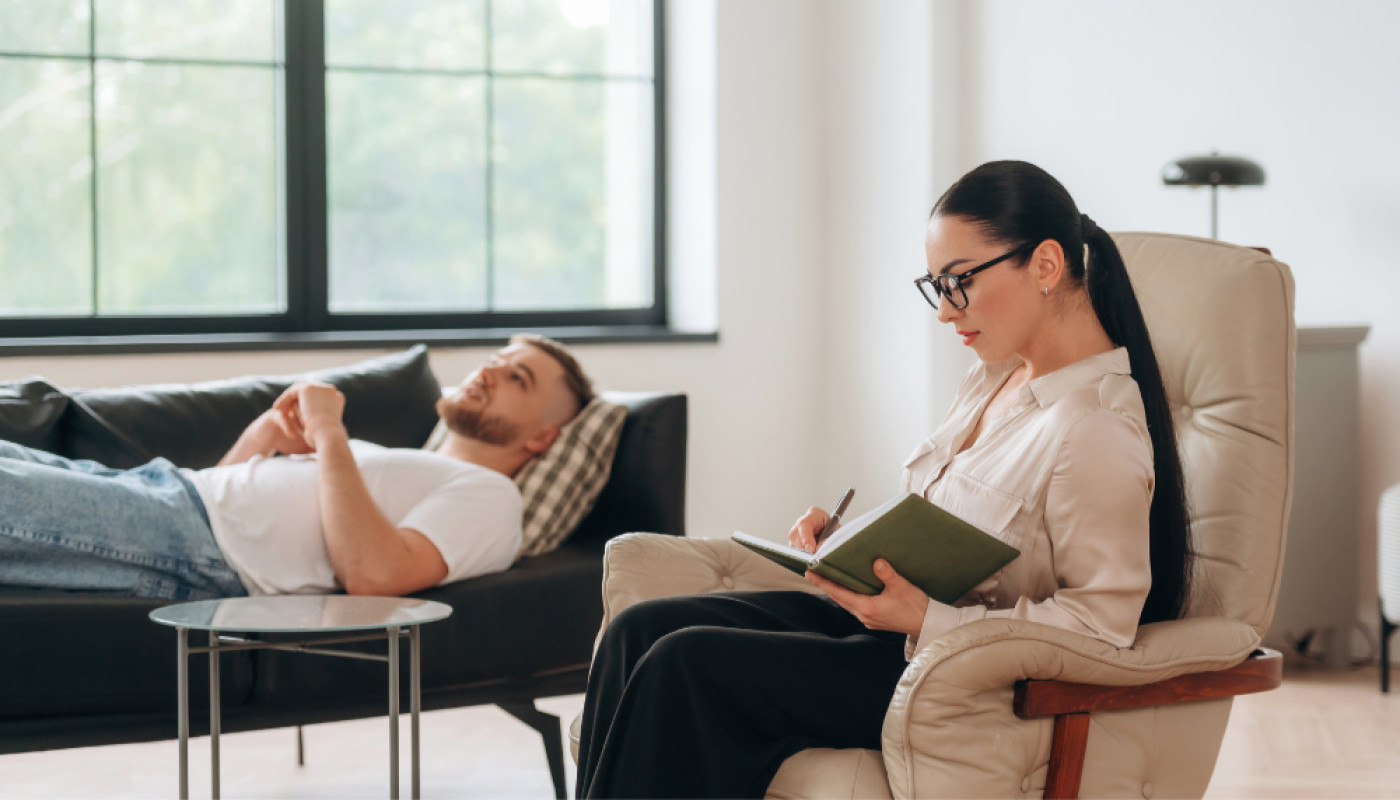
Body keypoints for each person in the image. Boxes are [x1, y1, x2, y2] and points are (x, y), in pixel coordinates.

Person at [574, 161, 1195, 798]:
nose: (945, 313)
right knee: (637, 629)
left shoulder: (1095, 427)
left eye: (960, 284)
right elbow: (949, 524)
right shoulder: (996, 380)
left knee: (685, 665)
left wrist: (929, 619)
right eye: (936, 286)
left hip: (961, 682)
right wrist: (854, 545)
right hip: (895, 639)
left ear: (1044, 265)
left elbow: (1101, 627)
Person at [0, 333, 595, 600]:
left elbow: (376, 575)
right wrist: (266, 434)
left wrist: (331, 433)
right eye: (496, 359)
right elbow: (224, 489)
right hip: (173, 495)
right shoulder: (413, 463)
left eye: (517, 377)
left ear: (544, 436)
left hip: (196, 543)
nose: (488, 372)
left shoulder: (492, 498)